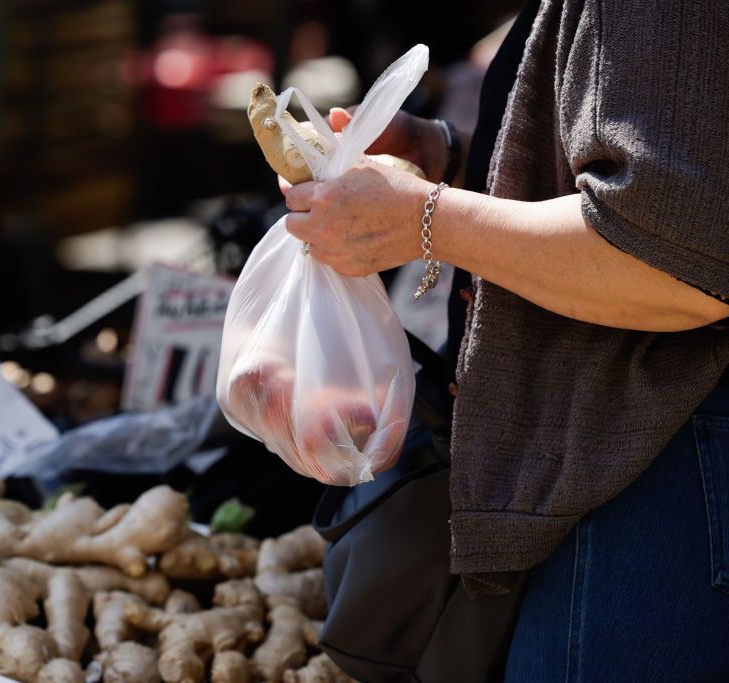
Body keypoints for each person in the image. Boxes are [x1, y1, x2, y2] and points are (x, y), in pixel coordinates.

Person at [282, 0, 729, 680]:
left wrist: (425, 219)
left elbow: (672, 261)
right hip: (627, 467)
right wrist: (448, 156)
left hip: (653, 486)